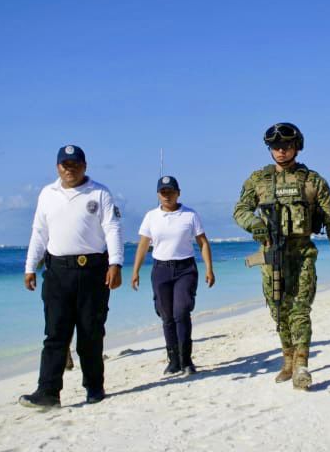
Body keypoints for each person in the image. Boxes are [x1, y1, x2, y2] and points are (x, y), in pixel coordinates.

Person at [233, 122, 330, 391]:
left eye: (286, 146)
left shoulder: (312, 181)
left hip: (302, 255)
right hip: (271, 256)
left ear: (297, 146)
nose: (281, 151)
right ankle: (287, 358)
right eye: (276, 147)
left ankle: (301, 366)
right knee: (278, 310)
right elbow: (240, 210)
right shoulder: (258, 180)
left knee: (300, 310)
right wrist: (255, 224)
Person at [21, 144, 124, 408]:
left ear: (84, 166)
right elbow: (39, 232)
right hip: (57, 272)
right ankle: (48, 392)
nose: (71, 169)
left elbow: (112, 228)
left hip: (93, 271)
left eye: (76, 164)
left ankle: (94, 387)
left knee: (91, 332)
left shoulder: (99, 192)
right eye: (66, 165)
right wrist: (30, 266)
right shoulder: (47, 194)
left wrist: (116, 264)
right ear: (58, 167)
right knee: (55, 333)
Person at [130, 175, 215, 377]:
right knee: (166, 316)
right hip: (160, 269)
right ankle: (173, 360)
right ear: (158, 195)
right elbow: (143, 245)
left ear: (178, 193)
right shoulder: (151, 216)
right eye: (163, 192)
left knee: (181, 312)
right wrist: (135, 271)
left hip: (185, 268)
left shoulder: (190, 215)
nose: (167, 196)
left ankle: (186, 360)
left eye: (171, 192)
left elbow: (202, 242)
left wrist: (209, 268)